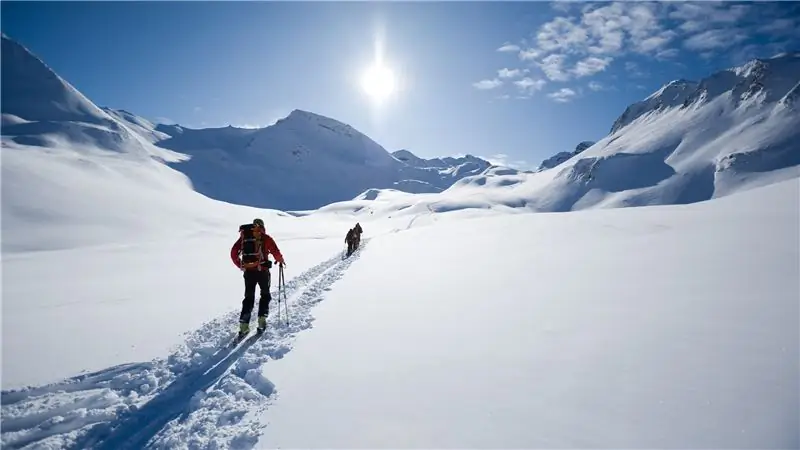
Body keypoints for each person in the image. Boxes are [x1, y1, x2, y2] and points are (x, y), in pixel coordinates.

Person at [230, 218, 285, 337]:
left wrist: (241, 265)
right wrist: (280, 260)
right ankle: (261, 320)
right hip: (263, 272)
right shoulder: (265, 237)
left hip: (249, 272)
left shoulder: (244, 238)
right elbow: (275, 251)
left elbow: (234, 252)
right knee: (265, 295)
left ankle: (244, 325)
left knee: (248, 297)